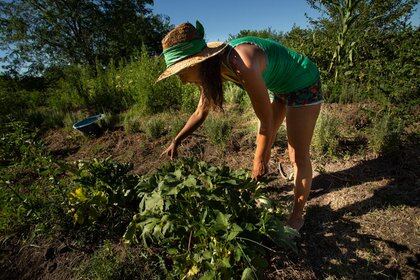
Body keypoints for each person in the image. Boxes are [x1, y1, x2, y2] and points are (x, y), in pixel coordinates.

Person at [157, 21, 322, 232]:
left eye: (180, 73)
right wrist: (176, 140)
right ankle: (278, 184)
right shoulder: (212, 69)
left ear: (194, 63)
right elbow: (200, 112)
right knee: (270, 151)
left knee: (297, 154)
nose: (181, 81)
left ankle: (297, 217)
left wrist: (259, 159)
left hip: (302, 82)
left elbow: (266, 122)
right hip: (279, 86)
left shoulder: (241, 62)